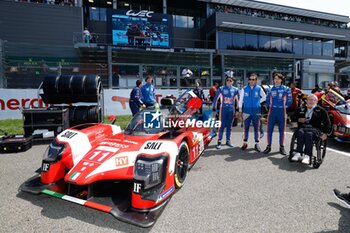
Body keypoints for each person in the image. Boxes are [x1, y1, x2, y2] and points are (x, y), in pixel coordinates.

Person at [290, 94, 331, 164]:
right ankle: (298, 153)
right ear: (306, 101)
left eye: (313, 100)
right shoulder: (301, 108)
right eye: (309, 99)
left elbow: (327, 123)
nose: (311, 101)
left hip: (315, 129)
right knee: (300, 132)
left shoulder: (321, 110)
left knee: (309, 134)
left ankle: (307, 155)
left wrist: (325, 133)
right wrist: (298, 119)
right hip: (303, 127)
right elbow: (292, 116)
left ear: (316, 101)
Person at [263, 73, 292, 155]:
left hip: (282, 111)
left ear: (281, 80)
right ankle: (268, 146)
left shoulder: (286, 89)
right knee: (269, 130)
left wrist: (284, 107)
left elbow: (290, 100)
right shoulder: (270, 89)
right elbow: (267, 100)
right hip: (272, 111)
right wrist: (270, 106)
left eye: (278, 78)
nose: (276, 80)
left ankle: (281, 147)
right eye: (275, 78)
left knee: (282, 130)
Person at [238, 73, 266, 152]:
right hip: (246, 112)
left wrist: (258, 102)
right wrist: (240, 110)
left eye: (253, 79)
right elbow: (240, 100)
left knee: (256, 129)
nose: (251, 81)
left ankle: (257, 144)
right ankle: (245, 143)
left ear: (256, 80)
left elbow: (264, 97)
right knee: (245, 128)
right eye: (250, 79)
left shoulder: (259, 88)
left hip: (256, 112)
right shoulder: (244, 89)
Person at [212, 72, 240, 149]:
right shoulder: (221, 89)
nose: (229, 81)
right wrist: (214, 109)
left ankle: (228, 140)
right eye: (227, 80)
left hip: (231, 109)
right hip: (223, 109)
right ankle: (219, 141)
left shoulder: (235, 90)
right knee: (221, 125)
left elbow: (238, 101)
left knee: (229, 126)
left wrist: (237, 110)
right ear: (225, 80)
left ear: (233, 82)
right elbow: (215, 99)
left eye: (230, 80)